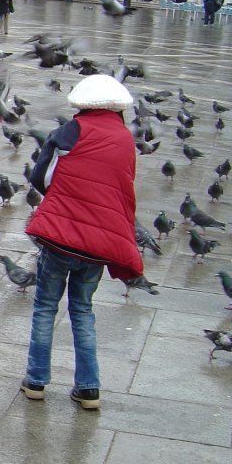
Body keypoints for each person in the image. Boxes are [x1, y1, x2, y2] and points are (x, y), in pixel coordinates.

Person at [20, 74, 143, 411]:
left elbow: (42, 177)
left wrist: (65, 207)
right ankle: (89, 388)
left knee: (46, 306)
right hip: (99, 242)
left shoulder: (70, 131)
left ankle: (36, 381)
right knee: (83, 310)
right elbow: (122, 186)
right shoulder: (124, 138)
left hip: (60, 242)